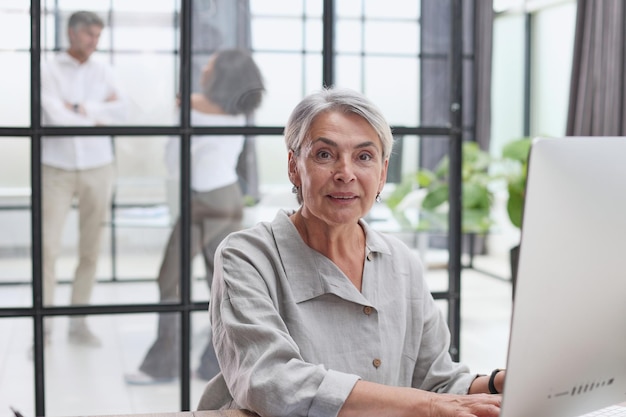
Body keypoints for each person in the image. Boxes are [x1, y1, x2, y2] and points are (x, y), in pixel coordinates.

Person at [197, 87, 506, 416]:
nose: (346, 173)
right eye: (325, 155)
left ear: (383, 173)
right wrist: (429, 405)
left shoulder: (402, 262)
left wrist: (496, 384)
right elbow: (273, 383)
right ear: (293, 166)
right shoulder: (245, 257)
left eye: (364, 157)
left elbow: (436, 381)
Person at [124, 49, 265, 385]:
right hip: (226, 197)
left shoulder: (192, 108)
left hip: (206, 200)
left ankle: (163, 364)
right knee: (222, 283)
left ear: (222, 76)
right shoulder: (239, 111)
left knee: (171, 279)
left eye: (210, 67)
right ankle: (213, 364)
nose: (203, 71)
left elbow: (173, 164)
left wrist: (182, 107)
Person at [40, 10, 126, 347]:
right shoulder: (47, 68)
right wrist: (97, 109)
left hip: (97, 166)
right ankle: (43, 328)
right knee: (47, 249)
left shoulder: (104, 70)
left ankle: (78, 324)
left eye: (98, 36)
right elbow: (55, 117)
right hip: (55, 167)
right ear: (72, 34)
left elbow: (123, 112)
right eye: (90, 35)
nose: (95, 42)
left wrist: (77, 107)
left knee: (90, 249)